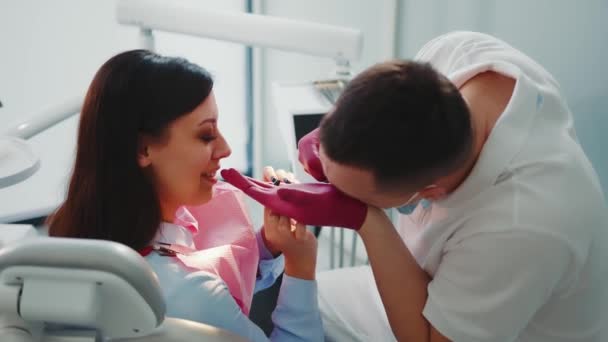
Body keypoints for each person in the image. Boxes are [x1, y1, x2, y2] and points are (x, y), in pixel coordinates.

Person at [222, 31, 608, 341]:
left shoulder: (524, 226)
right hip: (436, 284)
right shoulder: (457, 56)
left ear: (430, 192)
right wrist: (333, 142)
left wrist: (366, 220)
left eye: (353, 193)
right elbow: (382, 109)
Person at [47, 49, 323, 341]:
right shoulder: (194, 296)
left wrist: (269, 246)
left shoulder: (80, 231)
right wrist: (300, 268)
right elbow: (199, 294)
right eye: (206, 135)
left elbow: (209, 271)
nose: (225, 148)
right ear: (144, 149)